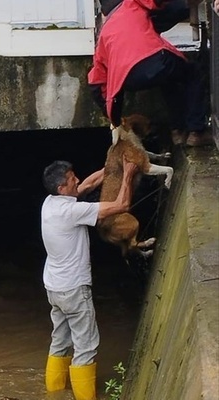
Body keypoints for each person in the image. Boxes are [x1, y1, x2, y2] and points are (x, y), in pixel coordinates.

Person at [41, 157, 138, 400]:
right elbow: (122, 204)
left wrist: (111, 168)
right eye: (72, 179)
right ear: (62, 188)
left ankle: (54, 394)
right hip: (74, 289)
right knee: (86, 347)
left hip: (54, 287)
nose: (77, 180)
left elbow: (86, 186)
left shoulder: (50, 203)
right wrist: (127, 174)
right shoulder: (72, 211)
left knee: (60, 342)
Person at [88, 0, 214, 147]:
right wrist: (187, 4)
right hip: (152, 59)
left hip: (127, 79)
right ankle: (197, 131)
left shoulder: (104, 33)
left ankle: (178, 132)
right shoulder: (131, 4)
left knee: (169, 80)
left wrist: (113, 117)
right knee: (193, 72)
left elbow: (96, 83)